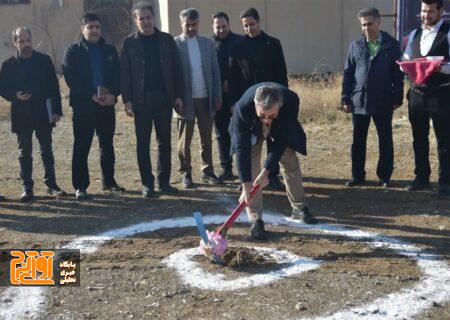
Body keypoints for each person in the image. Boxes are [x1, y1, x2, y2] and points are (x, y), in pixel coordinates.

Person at [230, 83, 318, 240]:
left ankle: (299, 207)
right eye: (262, 115)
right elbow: (241, 148)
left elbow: (282, 140)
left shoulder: (291, 101)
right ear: (255, 105)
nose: (266, 120)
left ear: (280, 105)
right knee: (251, 167)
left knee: (290, 161)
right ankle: (255, 219)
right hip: (251, 129)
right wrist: (245, 185)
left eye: (271, 116)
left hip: (281, 129)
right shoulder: (242, 108)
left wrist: (267, 171)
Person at [121, 2, 183, 198]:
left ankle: (163, 182)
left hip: (164, 98)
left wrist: (179, 95)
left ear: (153, 18)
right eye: (141, 18)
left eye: (148, 17)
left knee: (164, 141)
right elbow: (125, 73)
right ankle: (147, 184)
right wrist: (127, 99)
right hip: (141, 99)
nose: (146, 21)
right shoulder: (129, 43)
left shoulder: (166, 40)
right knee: (143, 142)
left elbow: (177, 69)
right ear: (136, 20)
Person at [0, 27, 65, 202]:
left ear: (31, 40)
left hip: (43, 111)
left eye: (27, 40)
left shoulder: (44, 61)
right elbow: (2, 88)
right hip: (21, 113)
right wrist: (15, 96)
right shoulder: (8, 64)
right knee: (24, 152)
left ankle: (51, 185)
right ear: (15, 43)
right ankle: (27, 188)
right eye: (21, 41)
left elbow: (54, 87)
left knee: (46, 150)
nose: (25, 44)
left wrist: (57, 110)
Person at [62, 13, 123, 200]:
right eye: (90, 27)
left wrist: (113, 94)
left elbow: (118, 76)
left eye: (97, 27)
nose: (94, 30)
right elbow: (71, 78)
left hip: (106, 105)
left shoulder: (110, 50)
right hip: (84, 106)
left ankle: (109, 181)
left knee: (107, 144)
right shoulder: (72, 51)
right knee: (82, 145)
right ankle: (80, 186)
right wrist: (91, 95)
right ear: (82, 29)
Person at [341, 7, 404, 188]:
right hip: (359, 101)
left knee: (385, 139)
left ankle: (384, 176)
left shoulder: (391, 45)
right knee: (358, 141)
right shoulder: (356, 45)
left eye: (370, 24)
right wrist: (345, 98)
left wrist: (397, 98)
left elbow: (397, 75)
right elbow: (348, 74)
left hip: (383, 101)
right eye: (363, 25)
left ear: (378, 22)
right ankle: (357, 176)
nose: (367, 28)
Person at [229, 7, 288, 191]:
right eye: (245, 26)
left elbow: (281, 73)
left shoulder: (273, 44)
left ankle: (272, 175)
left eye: (252, 24)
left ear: (259, 22)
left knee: (273, 138)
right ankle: (245, 179)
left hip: (271, 101)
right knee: (247, 141)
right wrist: (233, 103)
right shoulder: (237, 47)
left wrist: (282, 100)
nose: (249, 29)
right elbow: (232, 77)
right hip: (247, 104)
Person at [402, 0, 450, 196]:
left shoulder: (448, 33)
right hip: (417, 94)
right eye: (423, 11)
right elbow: (405, 60)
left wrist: (440, 67)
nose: (426, 15)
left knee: (445, 140)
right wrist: (411, 65)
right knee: (418, 138)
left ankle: (446, 182)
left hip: (442, 94)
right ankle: (421, 177)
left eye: (430, 11)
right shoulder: (414, 34)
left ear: (441, 11)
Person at [175, 8, 222, 188]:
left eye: (194, 24)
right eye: (188, 25)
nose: (191, 28)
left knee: (206, 138)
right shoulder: (175, 44)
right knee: (184, 141)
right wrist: (176, 98)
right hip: (185, 100)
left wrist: (216, 96)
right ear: (182, 24)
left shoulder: (208, 43)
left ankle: (207, 170)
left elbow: (215, 71)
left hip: (206, 98)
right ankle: (186, 173)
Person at [211, 11, 242, 181]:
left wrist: (230, 82)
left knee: (240, 133)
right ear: (213, 27)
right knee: (221, 133)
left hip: (237, 96)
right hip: (218, 97)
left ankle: (244, 168)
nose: (221, 30)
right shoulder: (209, 44)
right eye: (218, 27)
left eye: (224, 26)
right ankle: (226, 168)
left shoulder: (239, 41)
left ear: (229, 25)